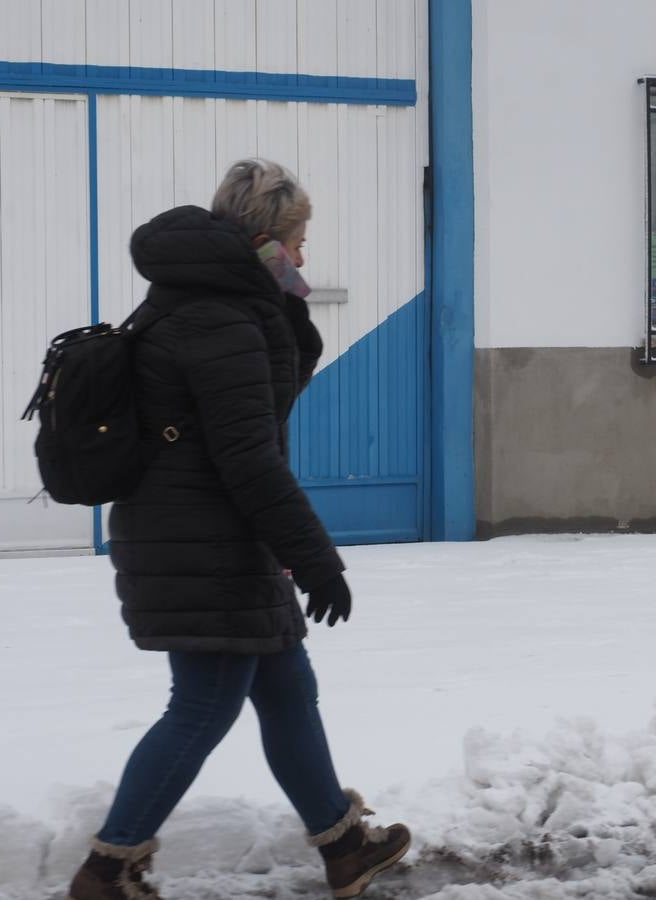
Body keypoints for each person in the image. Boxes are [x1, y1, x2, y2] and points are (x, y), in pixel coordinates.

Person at [67, 159, 411, 900]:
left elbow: (260, 408)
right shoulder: (218, 321)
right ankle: (108, 867)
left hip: (206, 535)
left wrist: (279, 309)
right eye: (297, 240)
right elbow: (248, 457)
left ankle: (343, 843)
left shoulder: (210, 305)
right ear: (263, 242)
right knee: (203, 703)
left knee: (286, 684)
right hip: (205, 544)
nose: (304, 256)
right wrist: (317, 560)